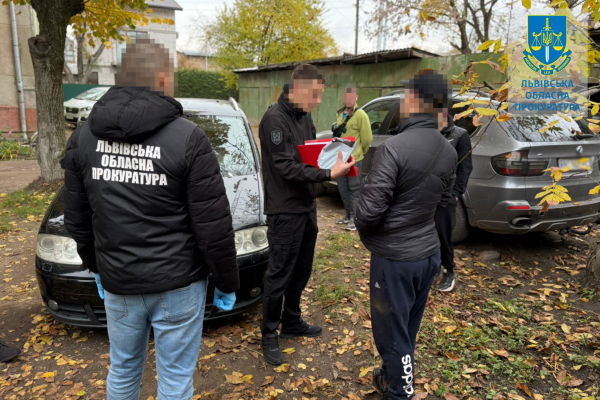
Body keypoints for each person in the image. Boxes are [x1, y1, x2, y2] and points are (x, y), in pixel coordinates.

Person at [62, 39, 239, 400]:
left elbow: (77, 219)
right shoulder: (188, 138)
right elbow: (213, 226)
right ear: (162, 77)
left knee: (123, 368)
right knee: (174, 379)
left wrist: (97, 268)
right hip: (179, 285)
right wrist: (226, 280)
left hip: (119, 282)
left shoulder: (83, 137)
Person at [355, 70, 457, 399]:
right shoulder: (448, 150)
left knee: (392, 336)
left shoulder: (393, 148)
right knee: (407, 328)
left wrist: (362, 193)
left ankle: (401, 391)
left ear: (415, 100)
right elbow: (444, 202)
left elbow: (368, 214)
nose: (401, 99)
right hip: (427, 256)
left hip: (395, 261)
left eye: (406, 94)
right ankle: (391, 376)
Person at [259, 64, 355, 366]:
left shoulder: (305, 116)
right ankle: (269, 333)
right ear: (297, 89)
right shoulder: (274, 119)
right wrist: (329, 173)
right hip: (284, 210)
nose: (318, 102)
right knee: (279, 275)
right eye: (314, 95)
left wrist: (336, 153)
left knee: (301, 270)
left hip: (306, 206)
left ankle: (292, 322)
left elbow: (310, 153)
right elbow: (286, 166)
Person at [435, 110, 473, 292]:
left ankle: (448, 270)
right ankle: (433, 268)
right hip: (427, 193)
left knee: (444, 234)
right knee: (427, 233)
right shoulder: (428, 131)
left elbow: (465, 167)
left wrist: (456, 192)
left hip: (447, 194)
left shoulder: (459, 135)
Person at [334, 86, 373, 231]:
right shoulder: (339, 113)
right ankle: (347, 215)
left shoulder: (361, 114)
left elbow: (367, 138)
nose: (348, 100)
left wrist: (359, 154)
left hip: (354, 160)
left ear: (356, 97)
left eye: (351, 97)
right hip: (340, 159)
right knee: (343, 188)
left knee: (354, 189)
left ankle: (354, 219)